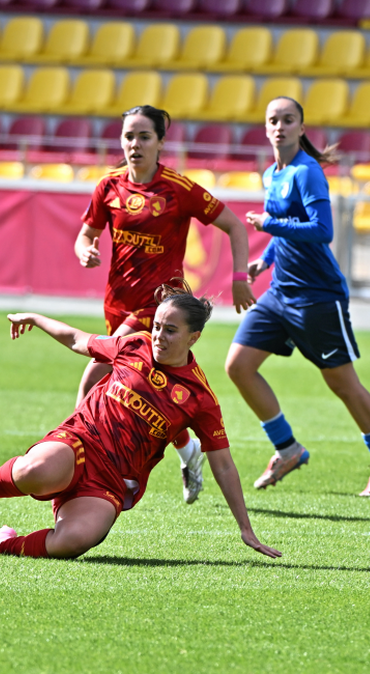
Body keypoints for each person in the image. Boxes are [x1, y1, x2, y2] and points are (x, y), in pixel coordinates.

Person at [0, 281, 281, 561]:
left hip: (112, 479)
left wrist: (245, 529)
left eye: (170, 330)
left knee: (73, 542)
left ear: (193, 337)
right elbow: (78, 340)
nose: (158, 336)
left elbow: (224, 465)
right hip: (80, 441)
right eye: (157, 326)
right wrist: (35, 318)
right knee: (34, 471)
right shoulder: (134, 345)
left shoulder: (200, 398)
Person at [225, 96, 370, 497]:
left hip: (317, 296)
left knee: (342, 383)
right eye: (274, 120)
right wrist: (264, 260)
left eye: (288, 120)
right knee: (238, 365)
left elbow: (322, 230)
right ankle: (287, 449)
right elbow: (285, 229)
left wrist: (270, 224)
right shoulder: (272, 173)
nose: (280, 126)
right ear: (266, 127)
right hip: (280, 292)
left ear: (301, 128)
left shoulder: (307, 172)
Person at [74, 105, 256, 506]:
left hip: (159, 307)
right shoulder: (108, 187)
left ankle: (81, 458)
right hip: (117, 304)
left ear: (160, 142)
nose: (134, 144)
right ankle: (188, 451)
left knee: (93, 377)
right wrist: (85, 248)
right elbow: (85, 234)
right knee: (153, 389)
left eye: (144, 136)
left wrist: (239, 277)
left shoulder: (178, 189)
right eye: (129, 136)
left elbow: (234, 225)